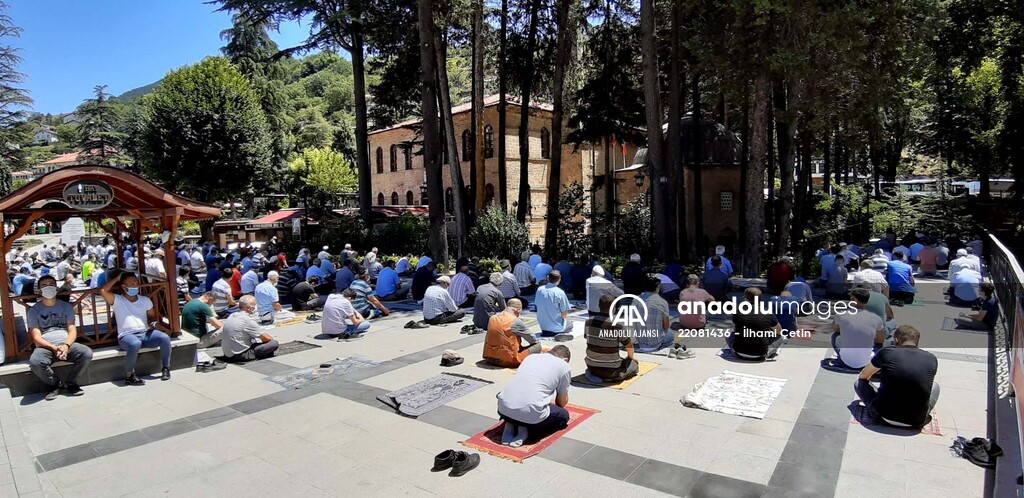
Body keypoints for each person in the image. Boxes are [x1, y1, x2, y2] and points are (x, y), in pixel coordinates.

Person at [856, 325, 939, 428]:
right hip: (915, 421)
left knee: (859, 383)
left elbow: (864, 376)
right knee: (935, 386)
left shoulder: (887, 352)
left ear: (896, 340)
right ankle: (921, 413)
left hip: (883, 415)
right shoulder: (931, 358)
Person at [27, 275, 93, 400]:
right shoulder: (34, 311)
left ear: (56, 288)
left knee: (86, 353)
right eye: (44, 285)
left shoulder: (66, 307)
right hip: (45, 346)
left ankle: (71, 382)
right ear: (39, 290)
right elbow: (36, 336)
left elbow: (72, 329)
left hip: (66, 343)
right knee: (35, 362)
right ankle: (55, 384)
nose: (48, 288)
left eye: (51, 284)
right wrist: (53, 348)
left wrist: (66, 345)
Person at [100, 272, 172, 385]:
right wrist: (117, 277)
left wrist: (154, 325)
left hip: (144, 333)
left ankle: (166, 368)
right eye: (132, 284)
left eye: (136, 283)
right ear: (124, 287)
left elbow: (152, 316)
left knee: (164, 338)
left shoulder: (145, 300)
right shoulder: (117, 300)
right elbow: (103, 291)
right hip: (126, 336)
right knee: (135, 343)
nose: (135, 286)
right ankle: (129, 375)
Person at [496, 345, 572, 447]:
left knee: (519, 402)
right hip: (531, 415)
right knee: (563, 415)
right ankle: (526, 430)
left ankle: (510, 424)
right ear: (565, 359)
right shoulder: (564, 366)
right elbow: (561, 403)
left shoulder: (531, 357)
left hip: (503, 409)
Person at [584, 295, 638, 382]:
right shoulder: (617, 326)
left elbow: (588, 338)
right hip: (612, 370)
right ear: (613, 308)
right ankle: (613, 377)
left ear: (599, 306)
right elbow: (629, 346)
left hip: (591, 366)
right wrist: (630, 358)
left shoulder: (588, 322)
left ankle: (593, 374)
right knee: (634, 365)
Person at [831, 289, 885, 369]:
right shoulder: (876, 318)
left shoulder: (842, 315)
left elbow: (835, 329)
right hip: (866, 362)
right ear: (866, 302)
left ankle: (843, 356)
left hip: (846, 360)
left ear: (853, 300)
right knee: (879, 344)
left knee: (835, 335)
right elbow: (880, 340)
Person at [728, 288, 784, 361]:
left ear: (746, 299)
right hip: (760, 355)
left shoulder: (738, 311)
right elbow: (779, 331)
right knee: (780, 337)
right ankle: (768, 351)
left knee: (729, 332)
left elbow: (735, 329)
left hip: (739, 353)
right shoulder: (768, 312)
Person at [482, 298, 541, 367]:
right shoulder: (515, 321)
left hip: (489, 357)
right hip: (507, 360)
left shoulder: (493, 318)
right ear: (518, 310)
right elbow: (533, 339)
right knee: (537, 345)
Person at [221, 296, 279, 361]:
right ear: (249, 308)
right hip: (240, 354)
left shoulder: (232, 315)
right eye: (254, 306)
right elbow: (267, 338)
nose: (255, 308)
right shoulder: (246, 320)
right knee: (274, 343)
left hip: (228, 353)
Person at [536, 270, 571, 336]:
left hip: (543, 326)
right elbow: (564, 313)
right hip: (556, 327)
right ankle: (560, 333)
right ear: (559, 280)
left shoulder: (539, 289)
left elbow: (537, 305)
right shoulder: (560, 292)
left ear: (548, 278)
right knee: (570, 324)